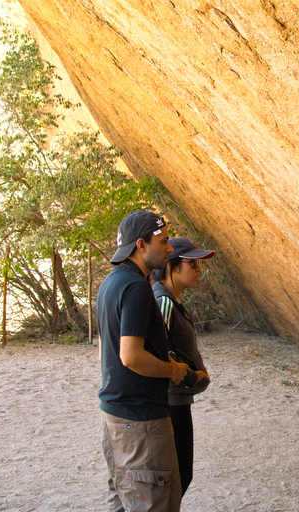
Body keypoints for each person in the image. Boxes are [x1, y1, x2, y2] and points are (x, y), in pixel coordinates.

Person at [96, 210, 193, 512]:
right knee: (154, 502)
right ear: (140, 245)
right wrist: (174, 371)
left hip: (115, 415)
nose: (170, 248)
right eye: (163, 242)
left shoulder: (111, 283)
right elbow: (130, 355)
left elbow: (105, 350)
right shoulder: (137, 288)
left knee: (123, 501)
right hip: (142, 422)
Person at [151, 238, 213, 496]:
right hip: (171, 401)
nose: (198, 269)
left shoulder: (171, 301)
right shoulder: (163, 302)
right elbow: (159, 350)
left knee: (180, 476)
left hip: (178, 399)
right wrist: (188, 377)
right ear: (171, 267)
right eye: (192, 264)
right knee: (178, 476)